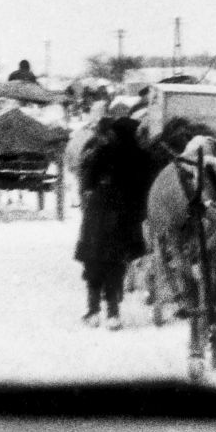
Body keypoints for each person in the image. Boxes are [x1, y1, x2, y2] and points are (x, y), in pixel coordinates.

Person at [75, 117, 156, 330]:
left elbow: (88, 181)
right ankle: (113, 313)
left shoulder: (103, 151)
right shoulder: (143, 157)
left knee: (94, 261)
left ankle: (93, 311)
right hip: (126, 218)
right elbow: (147, 190)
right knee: (116, 264)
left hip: (98, 214)